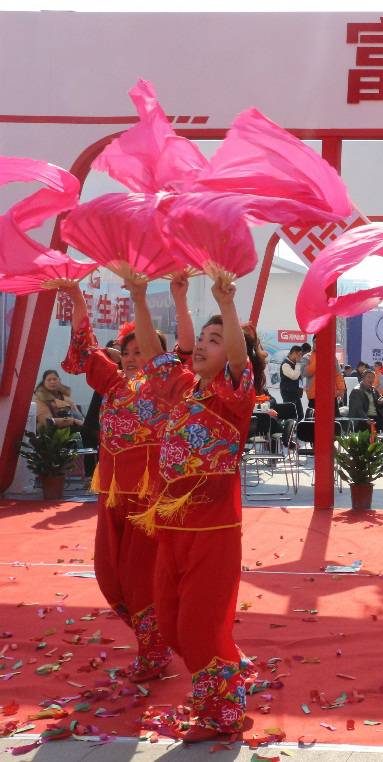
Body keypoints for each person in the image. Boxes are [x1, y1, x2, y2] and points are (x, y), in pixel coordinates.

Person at [132, 275, 266, 741]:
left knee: (197, 629)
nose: (205, 345)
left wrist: (226, 306)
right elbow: (153, 354)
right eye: (203, 338)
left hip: (213, 532)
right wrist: (138, 296)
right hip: (172, 527)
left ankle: (223, 712)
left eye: (215, 339)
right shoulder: (183, 387)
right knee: (170, 627)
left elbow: (238, 359)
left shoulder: (234, 398)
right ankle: (231, 667)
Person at [58, 274, 193, 687]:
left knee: (139, 580)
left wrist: (178, 299)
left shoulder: (168, 386)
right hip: (113, 495)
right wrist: (76, 295)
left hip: (149, 502)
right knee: (108, 575)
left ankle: (153, 652)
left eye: (141, 351)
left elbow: (187, 349)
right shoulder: (114, 383)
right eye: (128, 351)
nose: (133, 358)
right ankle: (156, 639)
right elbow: (86, 346)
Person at [279, 345, 304, 416]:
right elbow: (294, 376)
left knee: (300, 415)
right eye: (299, 355)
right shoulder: (285, 364)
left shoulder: (295, 364)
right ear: (294, 353)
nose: (300, 357)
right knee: (291, 415)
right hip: (288, 394)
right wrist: (298, 363)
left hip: (295, 393)